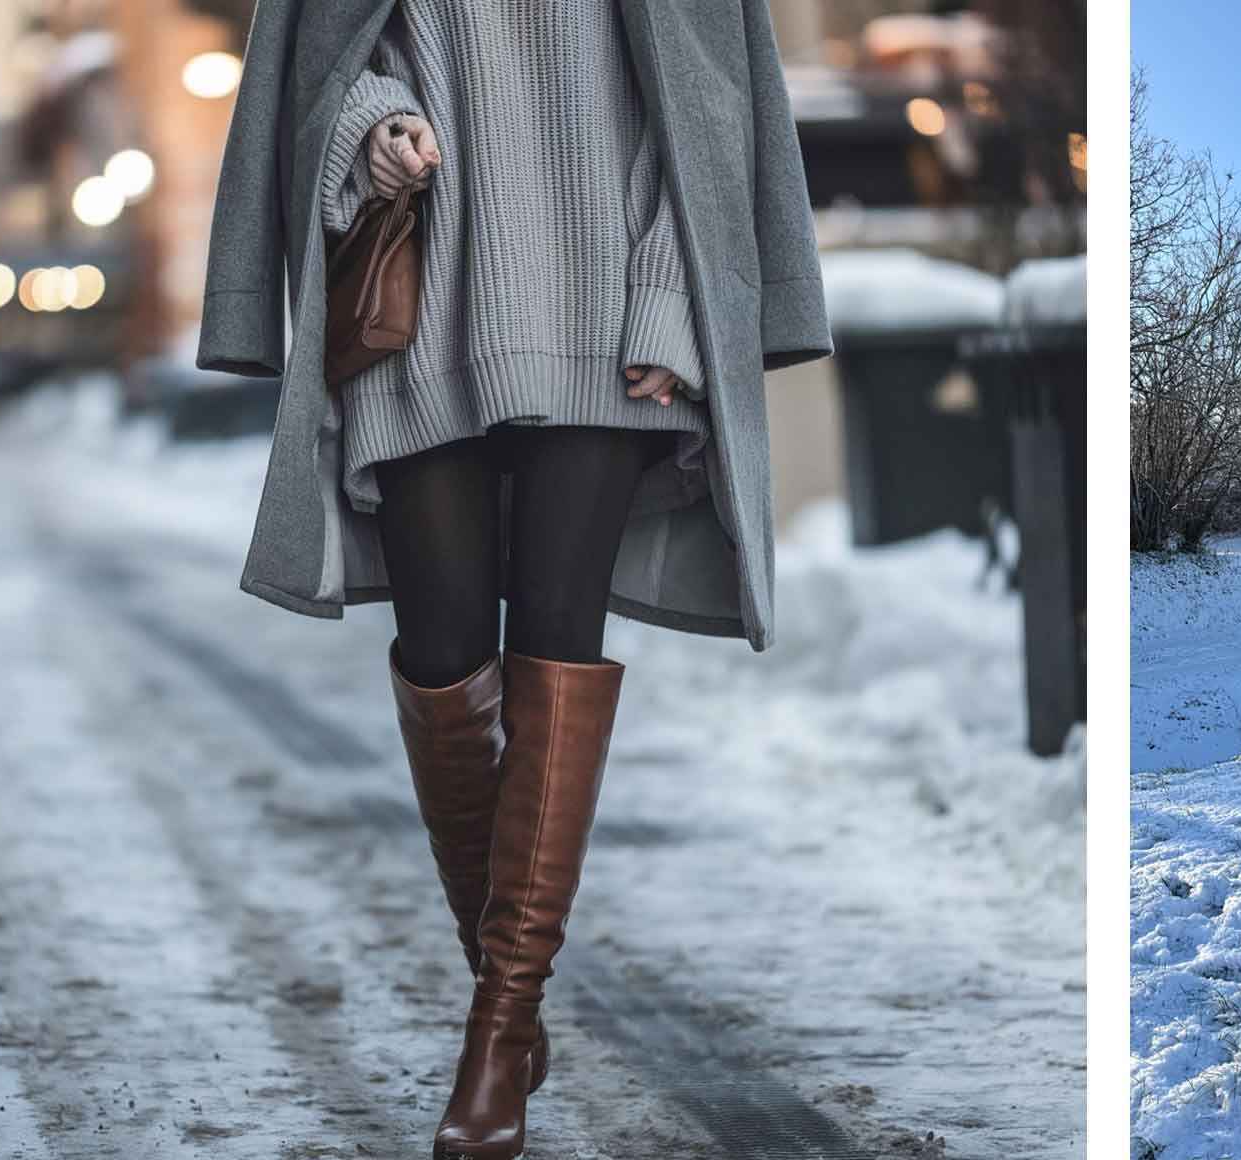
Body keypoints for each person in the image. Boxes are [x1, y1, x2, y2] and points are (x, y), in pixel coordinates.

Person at [200, 2, 827, 1155]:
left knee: (552, 636)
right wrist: (372, 127)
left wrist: (668, 297)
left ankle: (497, 1026)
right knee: (442, 654)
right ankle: (509, 996)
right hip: (417, 303)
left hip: (603, 319)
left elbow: (702, 101)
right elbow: (323, 64)